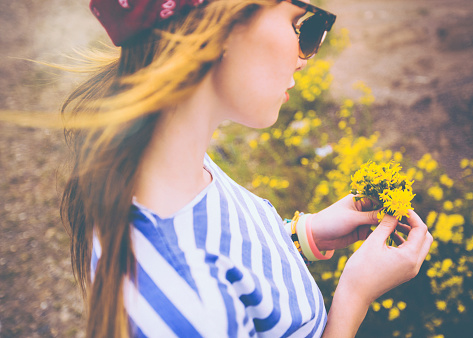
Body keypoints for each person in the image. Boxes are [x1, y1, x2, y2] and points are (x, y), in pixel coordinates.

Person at [61, 0, 433, 336]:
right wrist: (354, 295)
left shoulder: (172, 162)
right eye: (297, 23)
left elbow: (223, 246)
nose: (306, 57)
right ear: (219, 27)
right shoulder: (194, 312)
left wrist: (305, 234)